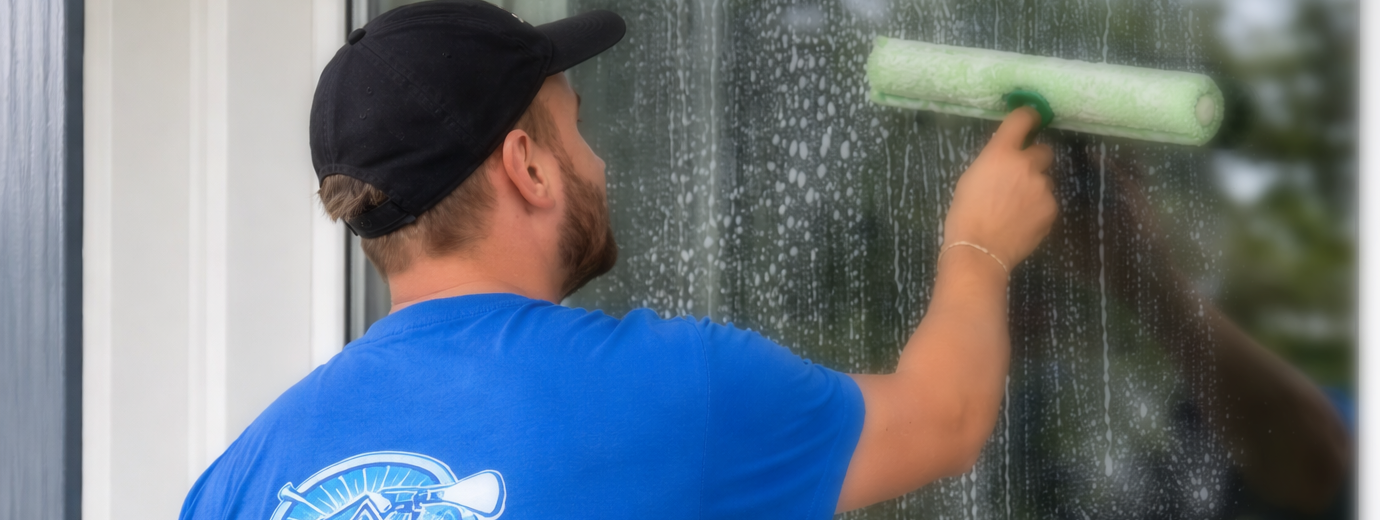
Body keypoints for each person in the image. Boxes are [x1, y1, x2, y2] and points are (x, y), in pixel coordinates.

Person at [176, 1, 1056, 518]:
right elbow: (946, 418)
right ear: (526, 167)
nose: (598, 162)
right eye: (577, 128)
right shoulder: (673, 392)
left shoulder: (235, 483)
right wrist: (979, 244)